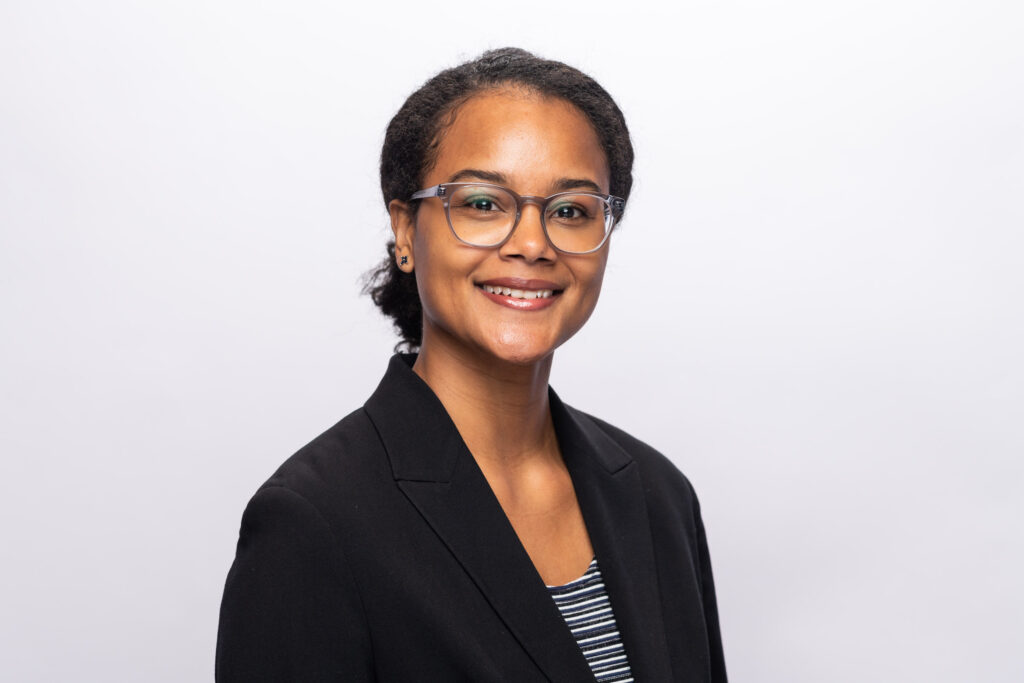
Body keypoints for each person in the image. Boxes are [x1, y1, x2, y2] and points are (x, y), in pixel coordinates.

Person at [216, 47, 727, 682]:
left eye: (570, 210)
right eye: (483, 202)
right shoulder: (313, 524)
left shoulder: (657, 494)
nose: (533, 244)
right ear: (406, 230)